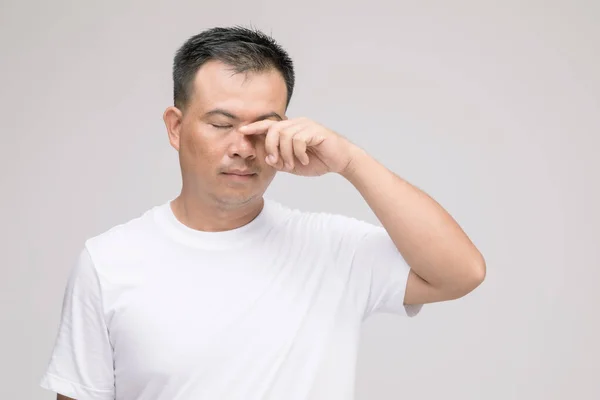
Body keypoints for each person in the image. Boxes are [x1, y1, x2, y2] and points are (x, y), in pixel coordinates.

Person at [39, 26, 486, 400]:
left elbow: (461, 272)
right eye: (220, 124)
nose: (242, 147)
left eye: (263, 129)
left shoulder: (332, 247)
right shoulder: (109, 261)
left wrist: (349, 160)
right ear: (176, 127)